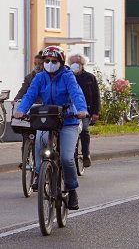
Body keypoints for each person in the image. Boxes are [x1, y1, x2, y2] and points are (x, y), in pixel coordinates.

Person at [14, 46, 88, 210]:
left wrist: (82, 110)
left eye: (54, 61)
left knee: (67, 158)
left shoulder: (68, 77)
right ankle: (40, 174)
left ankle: (71, 189)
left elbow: (76, 94)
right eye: (46, 61)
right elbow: (30, 95)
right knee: (40, 143)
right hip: (48, 119)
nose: (49, 64)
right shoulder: (40, 78)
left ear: (61, 62)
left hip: (69, 120)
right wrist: (21, 110)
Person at [69, 54, 101, 168]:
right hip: (70, 111)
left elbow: (96, 95)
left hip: (85, 111)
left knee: (84, 131)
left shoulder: (90, 78)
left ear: (82, 65)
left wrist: (95, 112)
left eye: (77, 63)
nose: (74, 65)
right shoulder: (67, 77)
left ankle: (86, 154)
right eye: (72, 63)